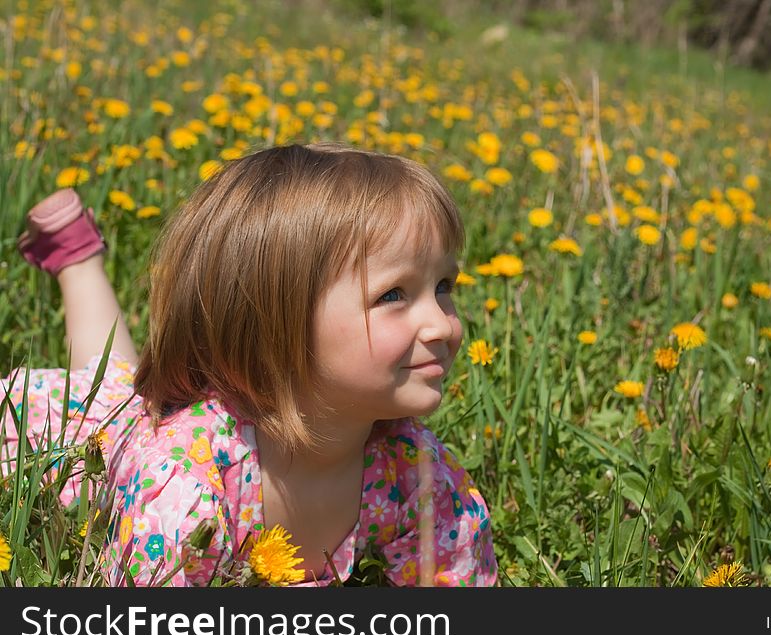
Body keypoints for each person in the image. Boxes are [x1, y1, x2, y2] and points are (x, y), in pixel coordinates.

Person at [1, 142, 498, 587]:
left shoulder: (413, 469)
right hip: (62, 431)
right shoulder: (183, 487)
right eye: (393, 294)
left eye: (443, 287)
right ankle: (78, 259)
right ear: (270, 321)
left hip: (134, 414)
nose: (442, 325)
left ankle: (75, 254)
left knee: (115, 376)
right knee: (104, 383)